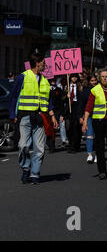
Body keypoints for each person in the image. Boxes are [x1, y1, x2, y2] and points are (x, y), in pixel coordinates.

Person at [9, 53, 58, 184]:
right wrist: (13, 115)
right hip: (25, 116)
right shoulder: (22, 77)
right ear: (37, 63)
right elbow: (14, 96)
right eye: (43, 62)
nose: (45, 65)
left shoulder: (45, 80)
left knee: (40, 148)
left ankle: (35, 173)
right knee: (23, 145)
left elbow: (48, 101)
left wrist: (52, 116)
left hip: (41, 117)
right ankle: (26, 168)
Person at [78, 74, 98, 164]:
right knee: (89, 135)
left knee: (99, 136)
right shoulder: (85, 91)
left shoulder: (100, 89)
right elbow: (81, 104)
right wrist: (80, 116)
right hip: (88, 116)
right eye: (92, 81)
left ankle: (98, 154)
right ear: (89, 81)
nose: (94, 82)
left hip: (99, 116)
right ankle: (89, 155)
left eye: (95, 80)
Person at [47, 78, 65, 153]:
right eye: (51, 80)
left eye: (54, 80)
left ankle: (52, 146)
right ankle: (49, 143)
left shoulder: (59, 90)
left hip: (57, 111)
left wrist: (62, 114)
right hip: (47, 111)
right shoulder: (46, 89)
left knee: (54, 128)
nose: (53, 82)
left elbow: (62, 102)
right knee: (47, 128)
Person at [66, 73, 82, 153]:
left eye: (76, 77)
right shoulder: (67, 86)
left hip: (77, 107)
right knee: (68, 127)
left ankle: (75, 146)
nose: (74, 78)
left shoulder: (79, 86)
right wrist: (66, 96)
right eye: (73, 77)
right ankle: (70, 143)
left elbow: (81, 99)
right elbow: (61, 99)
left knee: (76, 127)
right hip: (69, 108)